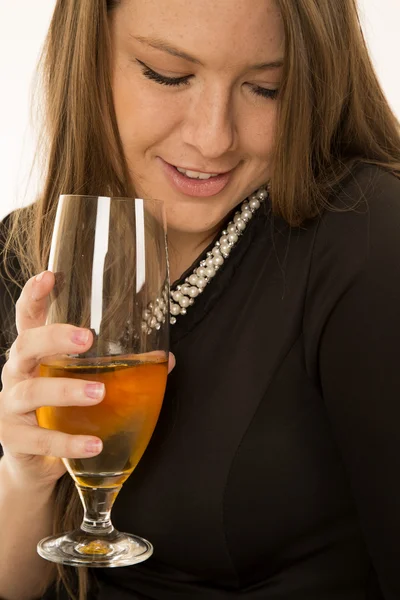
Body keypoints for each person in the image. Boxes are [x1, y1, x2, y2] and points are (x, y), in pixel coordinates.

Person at [1, 0, 400, 598]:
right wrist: (27, 478)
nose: (214, 137)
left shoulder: (368, 234)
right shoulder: (23, 252)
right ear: (88, 58)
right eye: (168, 74)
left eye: (267, 88)